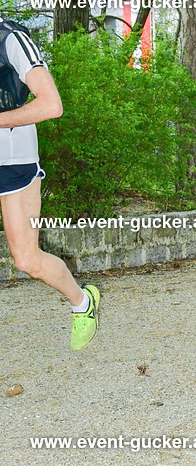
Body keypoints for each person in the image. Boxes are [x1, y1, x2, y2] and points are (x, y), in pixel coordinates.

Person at [0, 18, 100, 348]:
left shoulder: (11, 38)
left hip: (12, 158)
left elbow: (51, 104)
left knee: (26, 259)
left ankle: (82, 304)